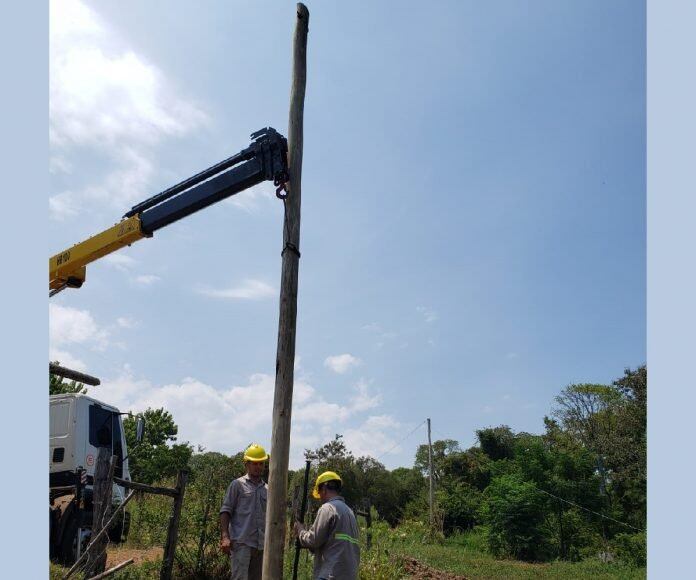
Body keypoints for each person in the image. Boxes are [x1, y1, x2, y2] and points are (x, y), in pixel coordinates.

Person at [294, 471, 360, 580]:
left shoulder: (327, 508)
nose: (320, 497)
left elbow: (313, 540)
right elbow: (333, 543)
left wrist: (301, 531)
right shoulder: (349, 512)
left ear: (324, 489)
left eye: (319, 493)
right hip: (349, 575)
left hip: (331, 574)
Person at [220, 443, 269, 580]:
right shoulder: (237, 485)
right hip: (242, 544)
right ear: (246, 464)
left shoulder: (268, 489)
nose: (258, 467)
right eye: (254, 463)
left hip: (261, 545)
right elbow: (225, 511)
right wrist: (225, 537)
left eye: (261, 463)